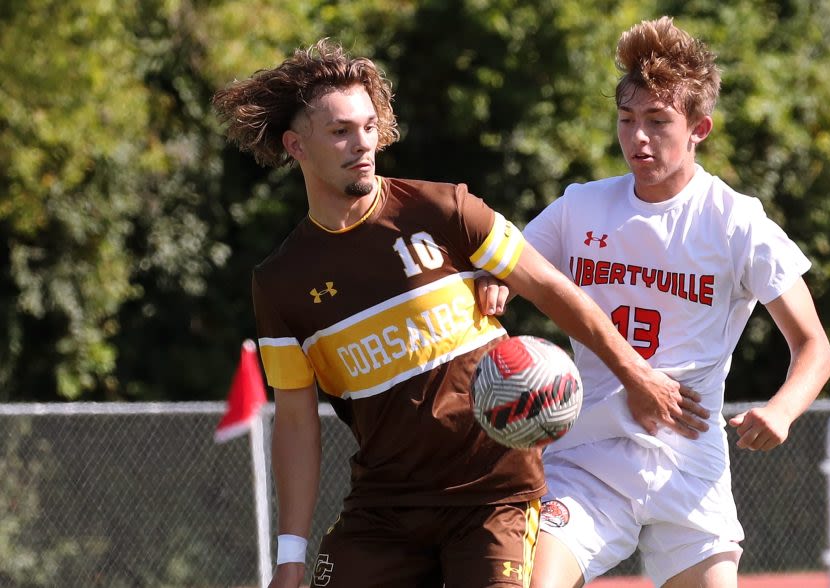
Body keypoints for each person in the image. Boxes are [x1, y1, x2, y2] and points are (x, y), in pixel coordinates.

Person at [210, 39, 710, 588]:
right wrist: (289, 556)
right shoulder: (280, 282)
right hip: (385, 509)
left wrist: (634, 373)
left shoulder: (441, 208)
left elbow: (550, 287)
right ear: (295, 145)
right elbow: (297, 421)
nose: (363, 144)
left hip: (494, 496)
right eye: (340, 131)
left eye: (369, 127)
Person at [479, 16, 830, 588]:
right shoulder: (579, 208)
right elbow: (503, 260)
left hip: (688, 467)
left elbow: (813, 346)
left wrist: (782, 411)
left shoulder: (736, 221)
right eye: (626, 120)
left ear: (699, 128)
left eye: (657, 121)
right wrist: (491, 275)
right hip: (587, 455)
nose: (638, 138)